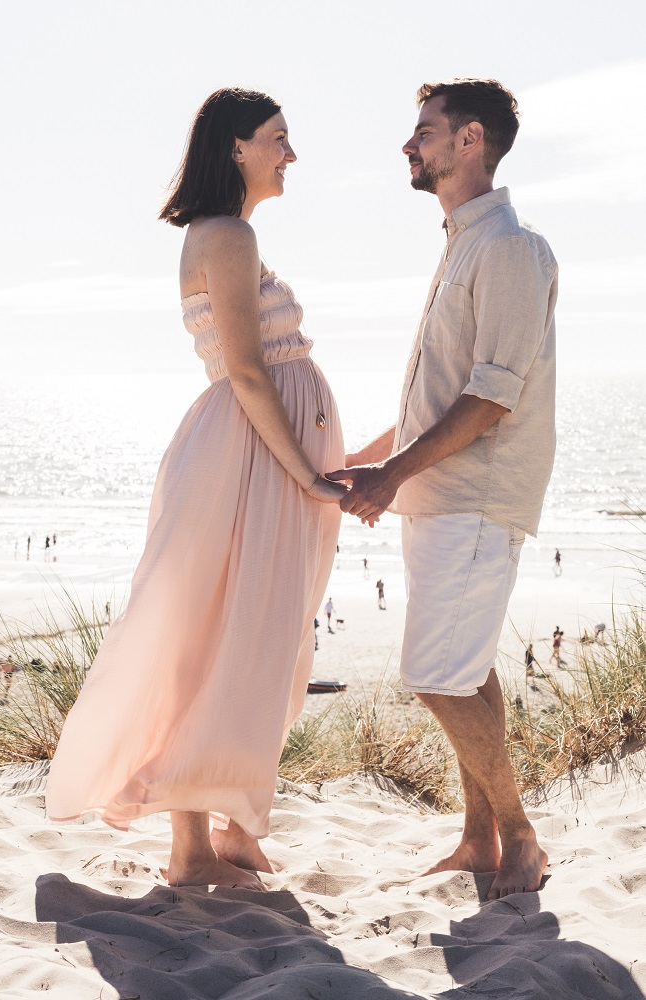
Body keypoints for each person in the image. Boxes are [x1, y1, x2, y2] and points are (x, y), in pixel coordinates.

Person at [46, 88, 346, 890]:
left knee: (230, 639)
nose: (291, 154)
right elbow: (249, 373)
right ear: (237, 148)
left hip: (245, 452)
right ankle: (208, 840)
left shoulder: (221, 236)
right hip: (251, 457)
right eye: (279, 139)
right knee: (240, 639)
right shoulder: (230, 237)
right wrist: (305, 469)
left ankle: (222, 836)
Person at [328, 78, 556, 900]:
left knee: (435, 673)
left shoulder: (508, 248)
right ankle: (478, 837)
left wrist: (392, 476)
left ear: (470, 141)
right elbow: (432, 401)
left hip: (477, 496)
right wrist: (368, 460)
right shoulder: (461, 243)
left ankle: (521, 835)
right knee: (469, 667)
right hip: (440, 496)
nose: (408, 144)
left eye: (422, 130)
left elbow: (491, 398)